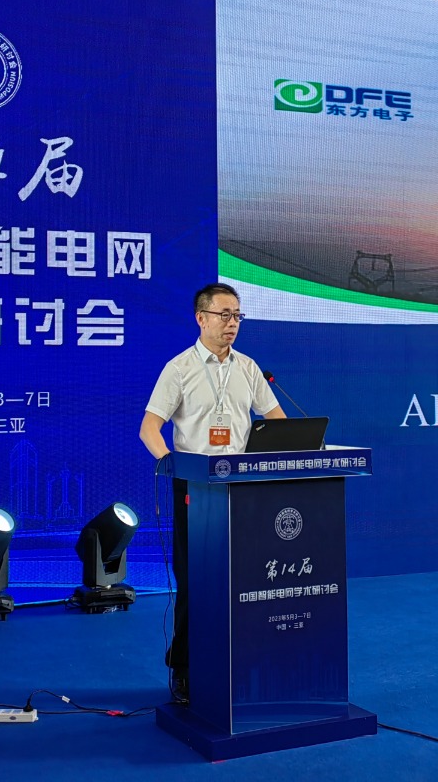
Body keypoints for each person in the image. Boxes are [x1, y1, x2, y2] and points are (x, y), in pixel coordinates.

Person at [139, 282, 284, 701]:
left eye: (237, 315)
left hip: (244, 488)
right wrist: (171, 463)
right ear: (201, 318)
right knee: (196, 581)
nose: (232, 323)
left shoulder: (249, 368)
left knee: (247, 579)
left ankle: (242, 661)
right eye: (224, 314)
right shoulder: (180, 368)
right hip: (196, 489)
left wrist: (294, 444)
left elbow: (276, 420)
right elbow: (150, 428)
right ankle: (184, 669)